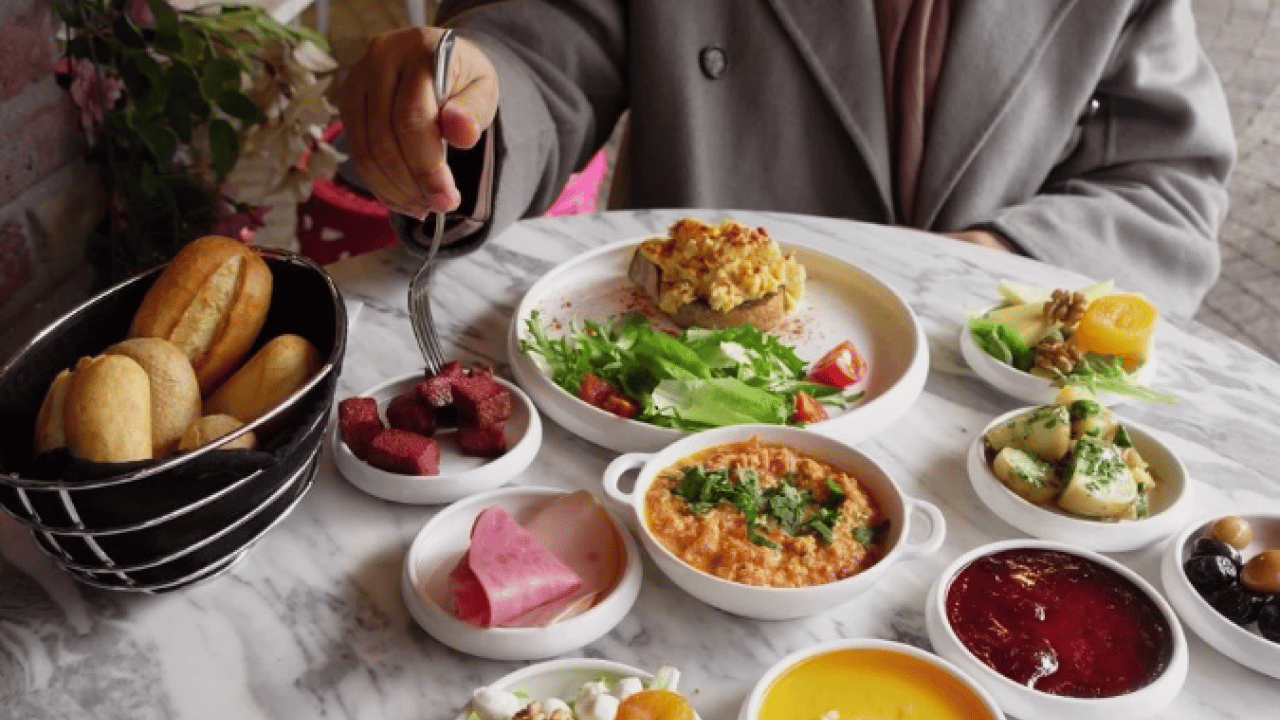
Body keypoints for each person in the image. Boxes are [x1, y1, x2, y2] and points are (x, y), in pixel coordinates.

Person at [339, 0, 1235, 317]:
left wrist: (989, 264)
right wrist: (461, 108)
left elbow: (1166, 188)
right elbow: (542, 56)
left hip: (988, 428)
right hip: (678, 401)